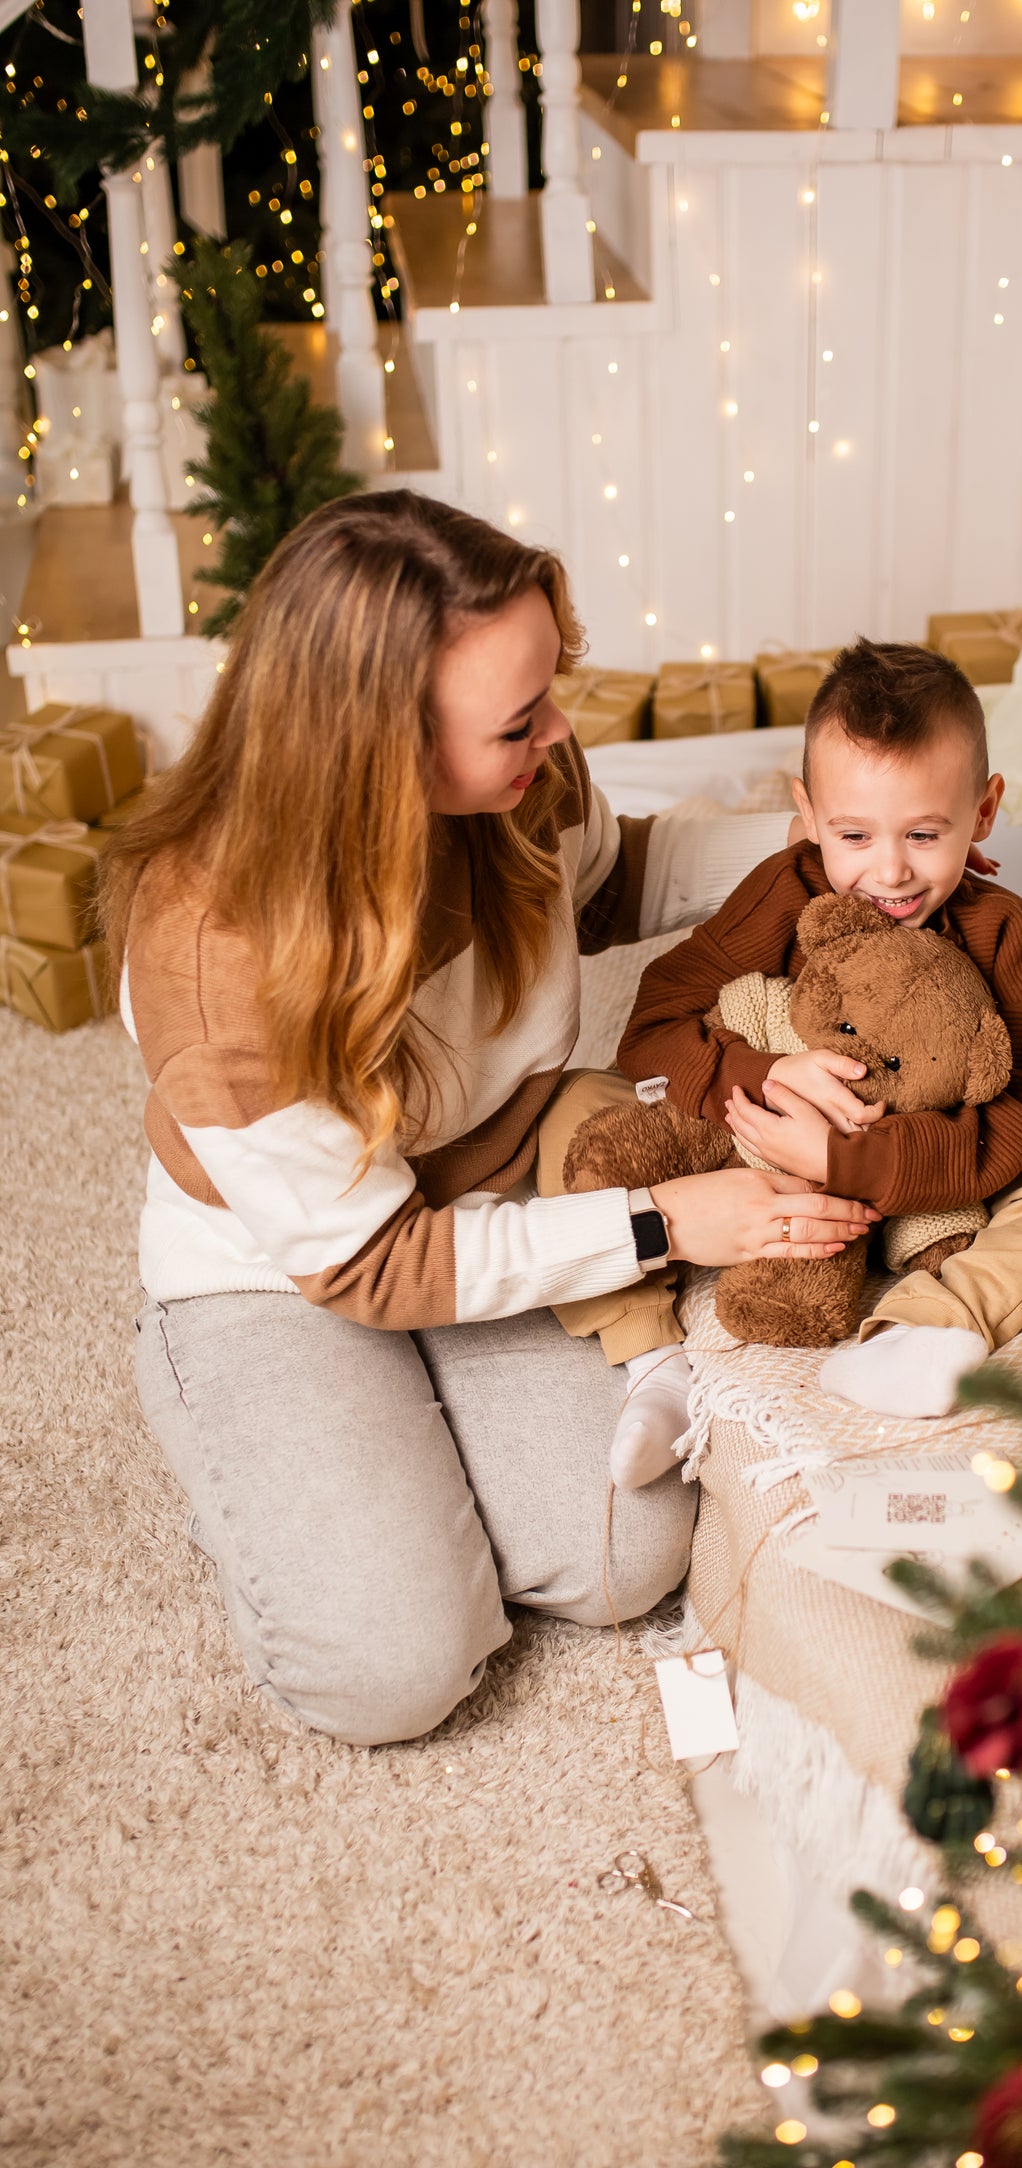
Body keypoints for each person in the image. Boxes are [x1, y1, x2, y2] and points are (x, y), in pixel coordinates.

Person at [103, 491, 878, 1747]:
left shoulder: (517, 779)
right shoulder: (217, 955)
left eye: (548, 692)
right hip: (292, 1275)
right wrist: (657, 1221)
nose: (559, 731)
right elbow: (368, 1263)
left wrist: (830, 848)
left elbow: (615, 877)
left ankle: (396, 1480)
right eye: (519, 719)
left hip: (480, 1191)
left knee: (628, 1555)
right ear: (371, 750)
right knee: (396, 1673)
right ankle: (248, 1444)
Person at [539, 638, 1022, 1484]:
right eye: (853, 834)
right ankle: (652, 1359)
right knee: (570, 1111)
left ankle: (921, 1327)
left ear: (983, 812)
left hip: (924, 1171)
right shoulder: (786, 889)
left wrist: (848, 1161)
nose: (889, 870)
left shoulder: (999, 926)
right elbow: (654, 1018)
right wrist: (759, 1078)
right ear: (809, 812)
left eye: (925, 833)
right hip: (751, 1146)